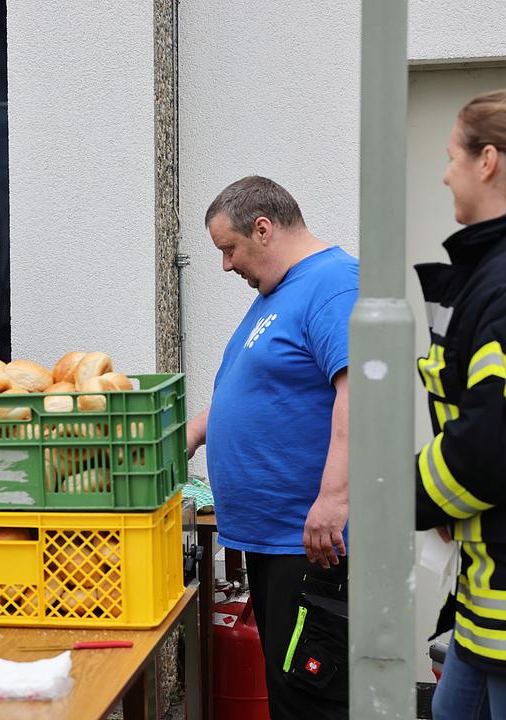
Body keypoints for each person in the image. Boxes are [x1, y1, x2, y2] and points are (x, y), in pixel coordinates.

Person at [186, 176, 357, 719]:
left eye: (229, 249)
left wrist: (334, 498)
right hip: (274, 539)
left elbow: (360, 392)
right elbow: (259, 390)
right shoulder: (278, 294)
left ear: (263, 229)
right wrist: (193, 433)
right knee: (288, 693)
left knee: (312, 699)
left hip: (308, 542)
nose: (226, 265)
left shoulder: (334, 284)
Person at [413, 88, 506, 720]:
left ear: (488, 160)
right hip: (494, 585)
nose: (446, 174)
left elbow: (493, 450)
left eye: (453, 157)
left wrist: (404, 496)